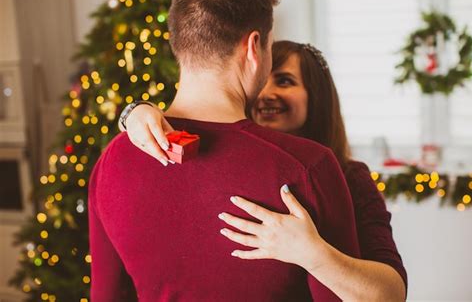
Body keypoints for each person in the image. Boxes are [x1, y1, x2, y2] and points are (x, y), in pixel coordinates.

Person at [89, 0, 360, 301]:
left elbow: (106, 295)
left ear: (178, 44)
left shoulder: (112, 161)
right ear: (254, 47)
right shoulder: (309, 166)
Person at [120, 41, 408, 301]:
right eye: (263, 83)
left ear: (316, 96)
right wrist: (134, 112)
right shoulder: (231, 163)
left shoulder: (351, 176)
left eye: (284, 81)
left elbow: (391, 293)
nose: (267, 94)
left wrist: (313, 253)